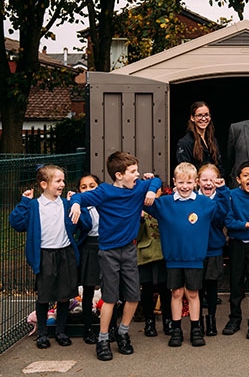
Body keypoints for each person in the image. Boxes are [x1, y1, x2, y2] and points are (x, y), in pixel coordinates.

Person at [70, 151, 162, 361]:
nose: (137, 175)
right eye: (133, 171)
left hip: (129, 250)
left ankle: (122, 332)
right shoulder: (104, 192)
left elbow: (156, 179)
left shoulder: (138, 187)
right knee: (110, 297)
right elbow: (78, 197)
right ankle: (103, 340)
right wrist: (75, 204)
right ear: (119, 175)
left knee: (133, 296)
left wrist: (152, 190)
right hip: (109, 252)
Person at [143, 162, 228, 347]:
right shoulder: (164, 203)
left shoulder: (204, 203)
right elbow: (144, 201)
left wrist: (222, 191)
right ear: (174, 182)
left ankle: (196, 329)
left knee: (192, 293)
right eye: (181, 182)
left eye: (189, 183)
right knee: (176, 293)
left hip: (195, 258)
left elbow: (221, 213)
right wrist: (150, 184)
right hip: (173, 259)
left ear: (195, 182)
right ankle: (176, 330)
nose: (184, 186)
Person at [10, 165, 84, 350]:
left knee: (64, 295)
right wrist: (24, 202)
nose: (63, 184)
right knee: (44, 295)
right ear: (44, 184)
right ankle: (42, 333)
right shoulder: (35, 205)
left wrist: (75, 203)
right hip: (45, 254)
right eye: (58, 181)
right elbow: (16, 223)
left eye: (63, 180)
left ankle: (60, 331)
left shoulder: (66, 204)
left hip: (64, 252)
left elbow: (76, 226)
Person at [222, 161, 249, 339]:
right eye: (245, 175)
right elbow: (228, 221)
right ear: (238, 179)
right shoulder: (231, 195)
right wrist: (247, 224)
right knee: (236, 283)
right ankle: (234, 318)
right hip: (236, 245)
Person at [197, 163, 228, 337]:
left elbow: (220, 218)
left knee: (212, 286)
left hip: (214, 249)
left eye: (212, 179)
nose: (208, 183)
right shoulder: (192, 197)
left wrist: (221, 193)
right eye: (205, 179)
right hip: (197, 251)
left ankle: (212, 319)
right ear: (198, 181)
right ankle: (199, 319)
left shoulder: (220, 197)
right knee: (197, 287)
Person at [136, 190, 172, 338]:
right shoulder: (140, 207)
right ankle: (149, 322)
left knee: (165, 288)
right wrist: (140, 220)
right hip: (146, 253)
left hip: (164, 251)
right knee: (147, 289)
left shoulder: (166, 206)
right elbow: (136, 236)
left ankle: (168, 320)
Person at [75, 174, 103, 345]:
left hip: (106, 246)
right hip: (88, 247)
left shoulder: (105, 204)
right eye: (83, 187)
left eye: (92, 186)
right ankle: (88, 328)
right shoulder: (80, 207)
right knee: (88, 289)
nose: (88, 190)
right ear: (79, 190)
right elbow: (83, 225)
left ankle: (110, 326)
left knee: (109, 289)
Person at [176, 101, 224, 175]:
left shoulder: (213, 140)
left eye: (206, 115)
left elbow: (219, 166)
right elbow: (185, 171)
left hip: (214, 184)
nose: (203, 118)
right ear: (192, 118)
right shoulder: (185, 142)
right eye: (199, 115)